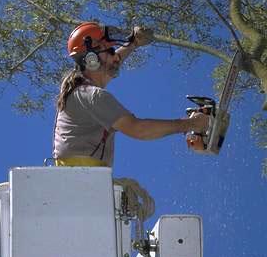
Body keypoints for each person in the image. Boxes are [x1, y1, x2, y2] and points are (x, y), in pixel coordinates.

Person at [53, 22, 209, 168]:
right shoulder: (92, 96)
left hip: (83, 177)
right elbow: (138, 129)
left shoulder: (81, 92)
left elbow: (113, 63)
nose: (116, 57)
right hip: (82, 178)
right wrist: (190, 124)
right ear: (92, 60)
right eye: (110, 51)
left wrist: (134, 43)